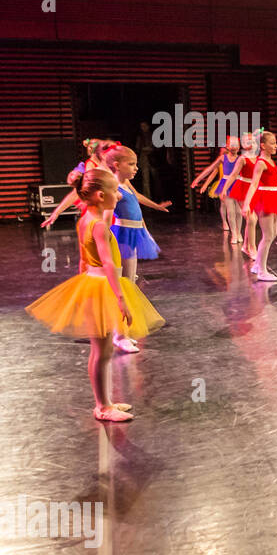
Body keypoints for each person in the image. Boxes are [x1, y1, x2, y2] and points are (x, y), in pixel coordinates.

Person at [25, 168, 164, 421]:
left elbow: (82, 258)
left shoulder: (85, 219)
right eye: (115, 192)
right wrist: (120, 298)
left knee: (103, 352)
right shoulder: (99, 225)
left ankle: (106, 401)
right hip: (102, 287)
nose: (119, 197)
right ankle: (102, 407)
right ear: (101, 195)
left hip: (91, 284)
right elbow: (108, 264)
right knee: (101, 353)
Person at [104, 144, 170, 351]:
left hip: (133, 234)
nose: (136, 168)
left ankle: (122, 330)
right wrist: (102, 241)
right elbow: (105, 217)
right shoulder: (114, 188)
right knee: (122, 285)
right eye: (131, 164)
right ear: (117, 165)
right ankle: (119, 334)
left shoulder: (126, 184)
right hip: (121, 236)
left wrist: (156, 206)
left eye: (135, 164)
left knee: (129, 282)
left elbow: (138, 198)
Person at [240, 129, 277, 283]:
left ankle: (258, 265)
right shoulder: (261, 163)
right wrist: (247, 204)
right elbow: (253, 184)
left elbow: (275, 181)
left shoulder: (271, 161)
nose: (276, 146)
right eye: (273, 143)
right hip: (264, 198)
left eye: (276, 143)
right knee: (268, 235)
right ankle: (262, 270)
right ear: (263, 146)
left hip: (274, 196)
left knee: (273, 233)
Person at [191, 135, 245, 245]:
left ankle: (239, 232)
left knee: (239, 211)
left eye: (236, 145)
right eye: (231, 144)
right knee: (230, 211)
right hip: (226, 184)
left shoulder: (241, 158)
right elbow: (210, 169)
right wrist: (198, 179)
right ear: (227, 146)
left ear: (239, 147)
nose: (234, 147)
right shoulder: (222, 158)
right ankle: (234, 234)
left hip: (238, 184)